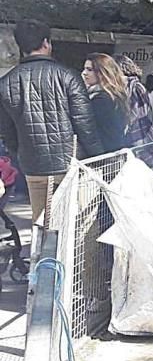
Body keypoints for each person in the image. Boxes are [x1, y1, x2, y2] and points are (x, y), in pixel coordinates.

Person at [0, 20, 104, 221]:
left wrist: (20, 155)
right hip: (72, 165)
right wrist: (99, 158)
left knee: (42, 224)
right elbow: (85, 126)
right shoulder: (69, 77)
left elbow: (7, 132)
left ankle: (41, 253)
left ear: (20, 46)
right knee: (80, 225)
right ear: (47, 43)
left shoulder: (5, 84)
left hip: (34, 166)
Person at [113, 55, 153, 166]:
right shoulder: (133, 85)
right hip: (138, 139)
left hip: (138, 138)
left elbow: (138, 114)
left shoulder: (134, 87)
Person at [79, 53, 129, 154]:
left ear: (102, 72)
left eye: (90, 70)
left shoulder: (101, 99)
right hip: (113, 153)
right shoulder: (114, 95)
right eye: (84, 69)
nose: (84, 73)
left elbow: (87, 128)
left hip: (103, 156)